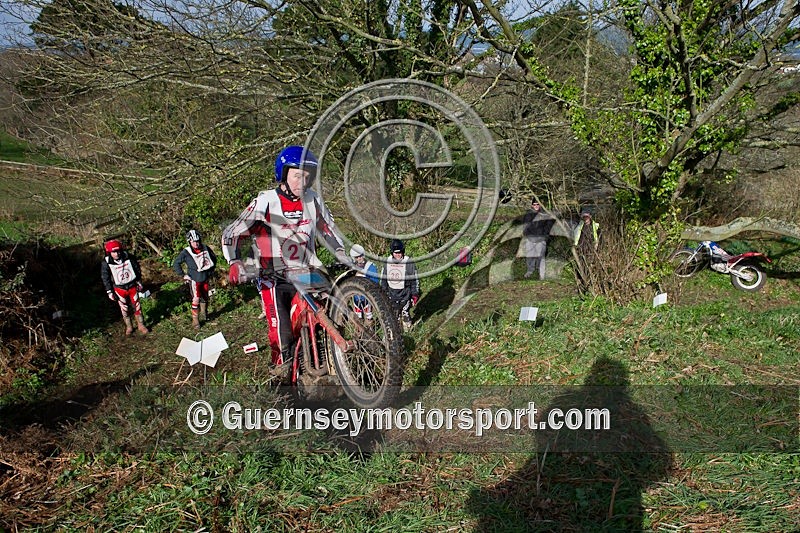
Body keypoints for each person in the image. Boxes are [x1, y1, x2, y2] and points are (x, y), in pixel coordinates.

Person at [221, 145, 347, 374]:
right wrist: (235, 262)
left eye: (307, 176)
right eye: (298, 175)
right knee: (282, 336)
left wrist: (342, 253)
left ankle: (341, 364)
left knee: (332, 312)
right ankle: (280, 381)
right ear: (283, 174)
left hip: (307, 271)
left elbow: (328, 230)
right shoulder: (266, 201)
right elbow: (232, 233)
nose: (303, 182)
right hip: (273, 277)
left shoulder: (314, 200)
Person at [101, 239, 149, 336]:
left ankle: (141, 325)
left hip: (132, 286)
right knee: (124, 308)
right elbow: (105, 277)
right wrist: (109, 291)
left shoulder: (128, 257)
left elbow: (137, 269)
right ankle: (129, 326)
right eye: (114, 252)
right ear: (109, 252)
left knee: (137, 306)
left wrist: (139, 281)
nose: (117, 254)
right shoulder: (106, 262)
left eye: (118, 251)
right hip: (119, 289)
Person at [173, 229, 217, 329]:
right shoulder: (186, 252)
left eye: (197, 241)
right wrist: (183, 275)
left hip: (205, 278)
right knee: (196, 298)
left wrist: (210, 272)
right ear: (189, 242)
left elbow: (214, 259)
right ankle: (195, 320)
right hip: (194, 280)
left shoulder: (206, 248)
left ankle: (204, 314)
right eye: (193, 242)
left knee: (205, 297)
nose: (196, 244)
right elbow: (176, 263)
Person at [380, 239, 420, 330]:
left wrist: (415, 294)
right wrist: (383, 292)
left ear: (403, 252)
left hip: (405, 293)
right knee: (394, 316)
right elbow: (383, 279)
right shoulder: (387, 262)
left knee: (405, 312)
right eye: (395, 253)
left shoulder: (408, 262)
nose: (398, 255)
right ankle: (396, 333)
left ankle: (408, 329)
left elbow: (415, 279)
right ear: (392, 253)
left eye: (400, 253)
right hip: (391, 293)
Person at [522, 198, 556, 279]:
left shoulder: (545, 214)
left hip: (541, 238)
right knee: (530, 256)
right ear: (532, 205)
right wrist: (526, 234)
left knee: (541, 256)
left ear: (540, 205)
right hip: (530, 238)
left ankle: (542, 274)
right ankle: (530, 271)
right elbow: (525, 225)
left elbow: (549, 225)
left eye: (537, 204)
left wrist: (544, 234)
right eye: (534, 204)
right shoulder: (528, 214)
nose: (536, 206)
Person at [349, 244, 379, 320]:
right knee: (358, 316)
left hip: (367, 296)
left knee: (369, 315)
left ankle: (370, 328)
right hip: (356, 297)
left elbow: (375, 282)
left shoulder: (370, 267)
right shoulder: (352, 268)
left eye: (361, 256)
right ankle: (359, 329)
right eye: (357, 257)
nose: (359, 258)